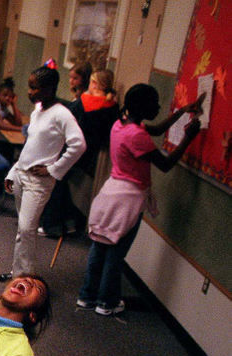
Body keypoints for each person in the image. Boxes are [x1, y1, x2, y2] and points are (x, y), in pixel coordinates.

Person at [78, 84, 203, 316]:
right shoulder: (137, 136)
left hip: (110, 194)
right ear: (142, 106)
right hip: (129, 199)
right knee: (116, 253)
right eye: (154, 103)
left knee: (101, 245)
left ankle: (87, 296)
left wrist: (183, 110)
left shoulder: (121, 124)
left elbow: (155, 129)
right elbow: (165, 165)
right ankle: (106, 302)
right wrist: (188, 137)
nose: (158, 106)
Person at [0, 65, 86, 281]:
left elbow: (79, 145)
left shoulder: (62, 114)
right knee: (22, 230)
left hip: (39, 182)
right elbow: (31, 147)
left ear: (49, 89)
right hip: (21, 174)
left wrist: (53, 169)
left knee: (27, 230)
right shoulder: (38, 110)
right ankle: (17, 273)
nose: (29, 92)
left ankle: (25, 279)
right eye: (29, 87)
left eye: (34, 88)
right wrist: (13, 172)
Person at [40, 69, 122, 238]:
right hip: (90, 155)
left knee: (56, 182)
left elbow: (66, 118)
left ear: (96, 84)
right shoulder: (112, 106)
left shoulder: (84, 102)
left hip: (73, 150)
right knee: (63, 185)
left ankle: (52, 225)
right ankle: (70, 221)